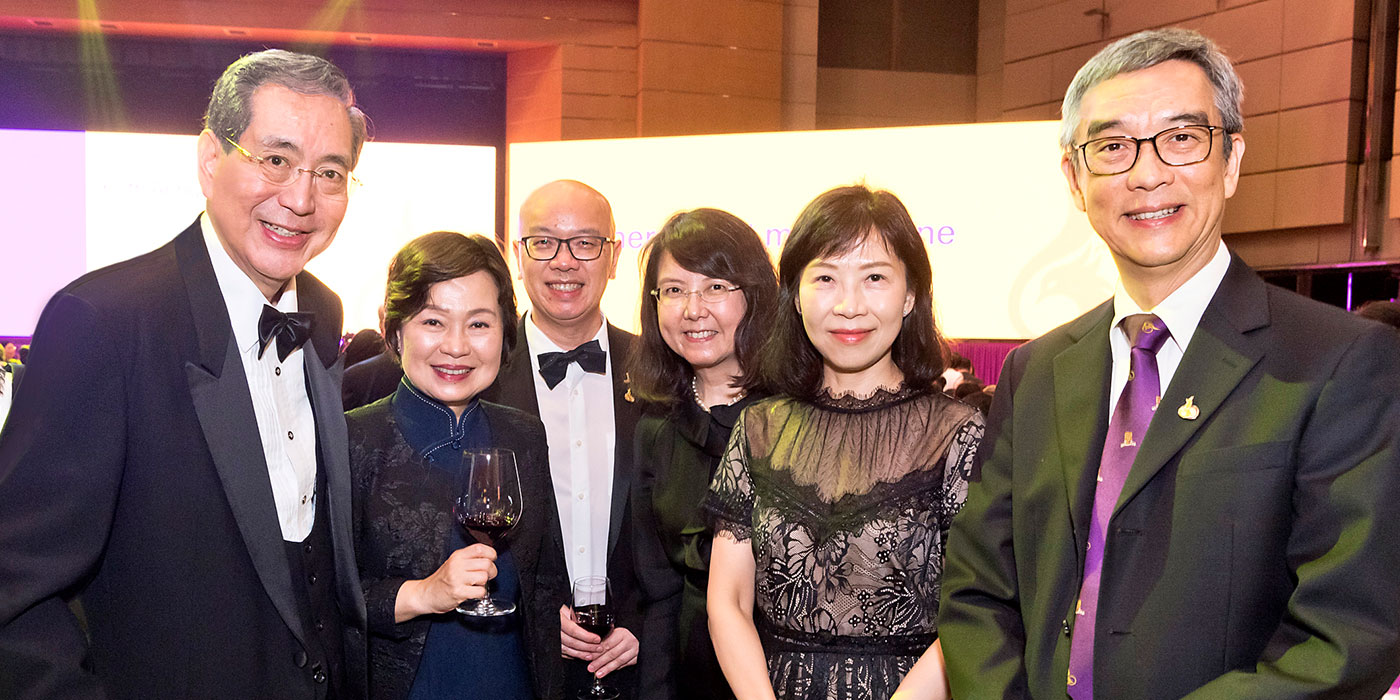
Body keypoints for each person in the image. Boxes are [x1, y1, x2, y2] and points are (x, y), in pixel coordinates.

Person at [939, 28, 1400, 699]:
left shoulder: (1342, 363)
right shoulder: (1034, 372)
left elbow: (1349, 633)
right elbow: (978, 588)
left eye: (1182, 138)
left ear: (1232, 158)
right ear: (1076, 177)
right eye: (1113, 146)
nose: (1148, 174)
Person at [0, 49, 370, 699]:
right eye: (276, 160)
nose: (302, 198)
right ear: (210, 159)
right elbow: (14, 592)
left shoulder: (322, 310)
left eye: (331, 172)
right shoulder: (103, 324)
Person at [706, 185, 984, 700]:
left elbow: (974, 610)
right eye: (826, 278)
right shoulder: (759, 428)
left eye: (874, 278)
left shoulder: (957, 433)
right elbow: (729, 600)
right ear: (796, 295)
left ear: (910, 295)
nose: (849, 306)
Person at [348, 232, 567, 700]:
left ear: (505, 331)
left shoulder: (525, 435)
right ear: (393, 327)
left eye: (479, 325)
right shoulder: (350, 440)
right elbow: (317, 601)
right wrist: (423, 593)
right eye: (433, 321)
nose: (456, 346)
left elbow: (544, 580)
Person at [483, 179, 643, 696]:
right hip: (514, 662)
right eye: (544, 241)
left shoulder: (660, 376)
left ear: (613, 257)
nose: (564, 261)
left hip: (634, 667)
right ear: (518, 254)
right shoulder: (479, 378)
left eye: (585, 243)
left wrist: (642, 622)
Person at [627, 209, 779, 699]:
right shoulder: (654, 428)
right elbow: (658, 594)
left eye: (716, 287)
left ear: (754, 296)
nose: (693, 309)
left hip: (785, 675)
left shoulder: (797, 419)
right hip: (686, 674)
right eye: (673, 290)